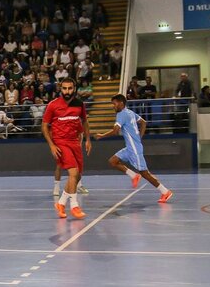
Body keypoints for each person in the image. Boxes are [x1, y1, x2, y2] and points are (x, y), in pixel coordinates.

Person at [95, 95, 173, 203]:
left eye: (114, 103)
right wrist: (139, 137)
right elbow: (143, 122)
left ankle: (165, 191)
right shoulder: (130, 112)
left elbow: (115, 131)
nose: (113, 106)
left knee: (145, 174)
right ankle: (134, 175)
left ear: (121, 103)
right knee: (113, 161)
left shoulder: (121, 114)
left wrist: (102, 136)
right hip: (130, 148)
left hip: (134, 150)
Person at [43, 78, 91, 219]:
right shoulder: (53, 105)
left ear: (74, 88)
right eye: (64, 88)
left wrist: (88, 139)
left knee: (77, 176)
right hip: (60, 142)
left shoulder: (79, 104)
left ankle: (61, 202)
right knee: (73, 172)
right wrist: (52, 145)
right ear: (60, 89)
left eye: (70, 88)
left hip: (75, 142)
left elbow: (85, 121)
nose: (67, 91)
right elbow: (44, 126)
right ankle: (74, 206)